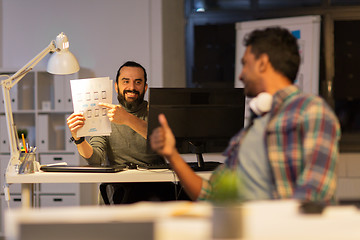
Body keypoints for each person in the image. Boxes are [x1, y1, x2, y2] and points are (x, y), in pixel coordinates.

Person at [150, 27, 341, 204]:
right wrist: (172, 155)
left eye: (245, 65)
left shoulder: (310, 111)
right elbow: (212, 195)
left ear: (263, 63)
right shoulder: (249, 133)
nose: (240, 75)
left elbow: (314, 199)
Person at [67, 61, 189, 204]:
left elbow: (169, 144)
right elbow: (95, 159)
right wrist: (79, 139)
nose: (131, 88)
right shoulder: (104, 116)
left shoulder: (157, 113)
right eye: (126, 81)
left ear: (145, 87)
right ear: (116, 86)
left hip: (157, 185)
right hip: (122, 188)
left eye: (138, 82)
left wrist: (127, 119)